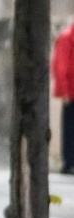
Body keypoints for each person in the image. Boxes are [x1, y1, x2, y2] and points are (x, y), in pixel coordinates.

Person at [55, 17, 74, 176]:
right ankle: (69, 162)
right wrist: (64, 91)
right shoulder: (67, 37)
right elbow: (61, 66)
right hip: (71, 91)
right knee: (69, 128)